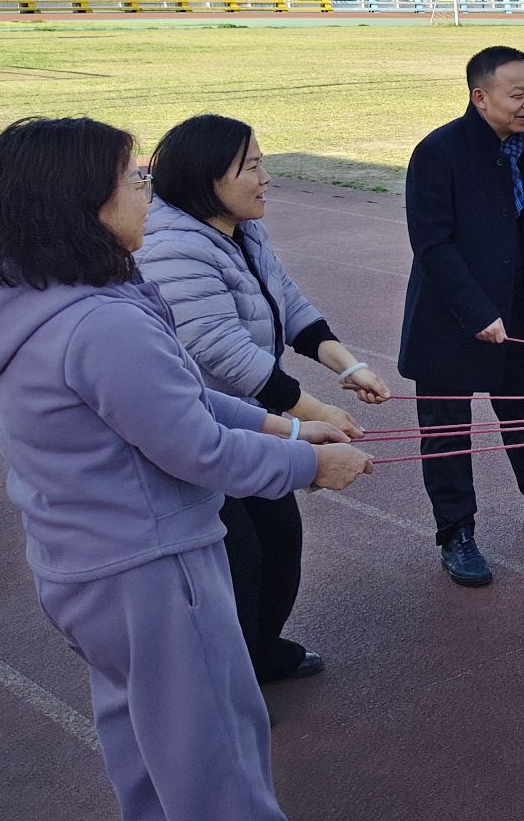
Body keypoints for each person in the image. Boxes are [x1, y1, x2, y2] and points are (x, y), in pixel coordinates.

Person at [0, 116, 372, 821]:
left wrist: (286, 425)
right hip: (151, 571)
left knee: (147, 749)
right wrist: (309, 465)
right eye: (132, 180)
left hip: (84, 563)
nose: (147, 193)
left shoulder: (38, 295)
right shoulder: (101, 323)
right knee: (218, 765)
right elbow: (195, 448)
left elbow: (179, 395)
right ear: (86, 202)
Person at [137, 114, 391, 684]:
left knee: (279, 539)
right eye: (251, 166)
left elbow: (288, 304)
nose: (265, 177)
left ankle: (258, 652)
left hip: (254, 419)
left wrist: (349, 366)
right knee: (238, 556)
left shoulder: (242, 228)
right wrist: (314, 414)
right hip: (202, 426)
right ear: (209, 178)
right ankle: (226, 681)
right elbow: (223, 351)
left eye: (262, 163)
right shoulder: (172, 248)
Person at [399, 45, 524, 588]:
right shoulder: (438, 152)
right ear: (480, 96)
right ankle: (456, 533)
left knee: (522, 411)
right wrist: (476, 311)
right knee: (447, 433)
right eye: (518, 94)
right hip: (450, 317)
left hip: (513, 310)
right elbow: (432, 245)